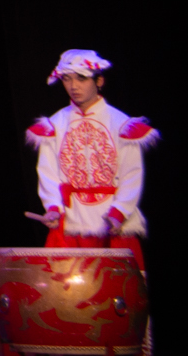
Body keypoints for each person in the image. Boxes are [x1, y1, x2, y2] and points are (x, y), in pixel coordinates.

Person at [30, 49, 155, 252]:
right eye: (67, 79)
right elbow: (47, 171)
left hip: (112, 224)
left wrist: (119, 212)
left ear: (99, 81)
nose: (73, 86)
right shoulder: (55, 123)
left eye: (81, 78)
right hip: (71, 225)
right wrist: (53, 207)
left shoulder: (120, 123)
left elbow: (132, 173)